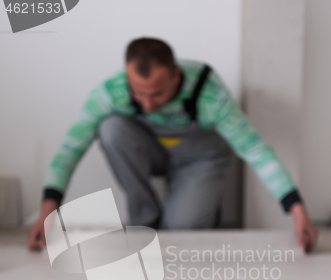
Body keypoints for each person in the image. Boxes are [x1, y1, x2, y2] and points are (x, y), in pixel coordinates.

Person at [28, 37, 318, 251]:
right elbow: (70, 149)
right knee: (111, 128)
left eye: (156, 93)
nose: (147, 103)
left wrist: (297, 209)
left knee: (182, 236)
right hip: (151, 151)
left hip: (199, 158)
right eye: (138, 93)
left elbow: (254, 149)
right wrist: (46, 212)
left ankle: (196, 208)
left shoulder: (208, 91)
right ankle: (146, 221)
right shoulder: (110, 92)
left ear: (176, 75)